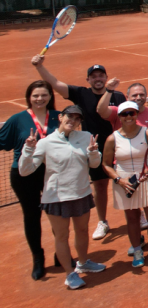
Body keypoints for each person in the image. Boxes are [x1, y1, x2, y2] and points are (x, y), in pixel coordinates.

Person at [32, 55, 126, 240]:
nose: (97, 79)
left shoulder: (118, 96)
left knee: (124, 181)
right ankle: (103, 221)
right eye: (94, 76)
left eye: (101, 76)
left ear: (106, 78)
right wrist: (39, 66)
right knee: (100, 186)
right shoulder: (81, 94)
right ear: (88, 80)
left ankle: (136, 215)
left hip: (119, 146)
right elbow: (55, 83)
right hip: (94, 149)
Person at [18, 105, 105, 290]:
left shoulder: (85, 137)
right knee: (62, 236)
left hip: (81, 193)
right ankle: (69, 274)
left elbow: (95, 164)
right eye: (69, 117)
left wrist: (93, 153)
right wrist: (27, 150)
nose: (72, 121)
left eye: (76, 118)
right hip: (56, 198)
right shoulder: (45, 142)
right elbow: (25, 171)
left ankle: (82, 262)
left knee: (82, 232)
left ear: (80, 121)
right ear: (61, 117)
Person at [97, 80, 148, 248]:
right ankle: (137, 241)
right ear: (127, 97)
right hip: (124, 171)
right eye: (135, 95)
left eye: (142, 94)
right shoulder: (117, 113)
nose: (139, 97)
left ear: (146, 96)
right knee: (132, 213)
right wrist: (109, 90)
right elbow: (101, 110)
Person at [0, 80, 60, 279]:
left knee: (57, 215)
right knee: (32, 216)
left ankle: (61, 253)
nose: (40, 99)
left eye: (44, 95)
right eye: (35, 95)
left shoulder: (60, 118)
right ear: (29, 98)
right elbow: (3, 143)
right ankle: (38, 258)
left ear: (50, 96)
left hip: (53, 173)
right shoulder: (17, 120)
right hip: (24, 175)